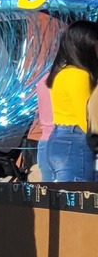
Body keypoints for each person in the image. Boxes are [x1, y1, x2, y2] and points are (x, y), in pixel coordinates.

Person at [38, 19, 98, 183]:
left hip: (58, 139)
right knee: (77, 203)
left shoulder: (61, 72)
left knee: (64, 202)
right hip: (75, 142)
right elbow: (87, 120)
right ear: (85, 45)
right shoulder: (79, 74)